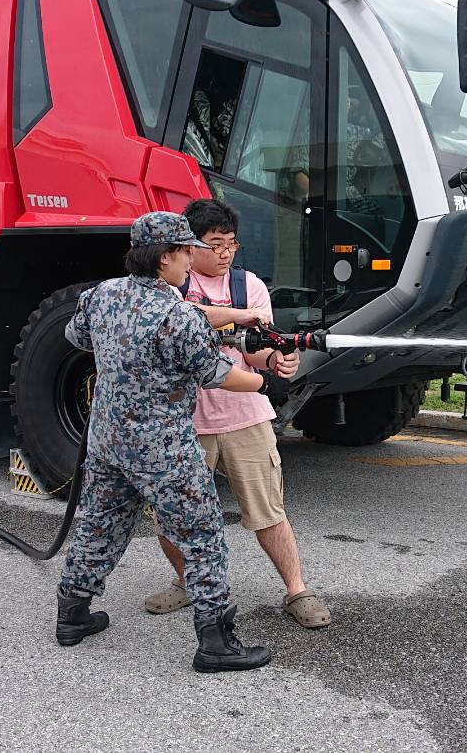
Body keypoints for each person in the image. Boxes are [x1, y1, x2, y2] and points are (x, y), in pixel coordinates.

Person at [53, 211, 293, 674]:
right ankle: (216, 643)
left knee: (99, 523)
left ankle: (73, 613)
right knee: (203, 539)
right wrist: (267, 385)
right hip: (162, 446)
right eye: (186, 251)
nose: (191, 259)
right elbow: (216, 373)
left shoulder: (101, 295)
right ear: (165, 258)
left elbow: (75, 336)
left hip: (106, 439)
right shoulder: (177, 315)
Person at [142, 199, 332, 630]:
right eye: (214, 244)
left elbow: (259, 348)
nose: (225, 253)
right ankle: (187, 581)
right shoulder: (170, 285)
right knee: (172, 513)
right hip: (184, 422)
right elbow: (190, 320)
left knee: (269, 511)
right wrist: (234, 320)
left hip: (245, 415)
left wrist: (278, 362)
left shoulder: (251, 287)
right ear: (189, 246)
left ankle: (297, 590)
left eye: (231, 244)